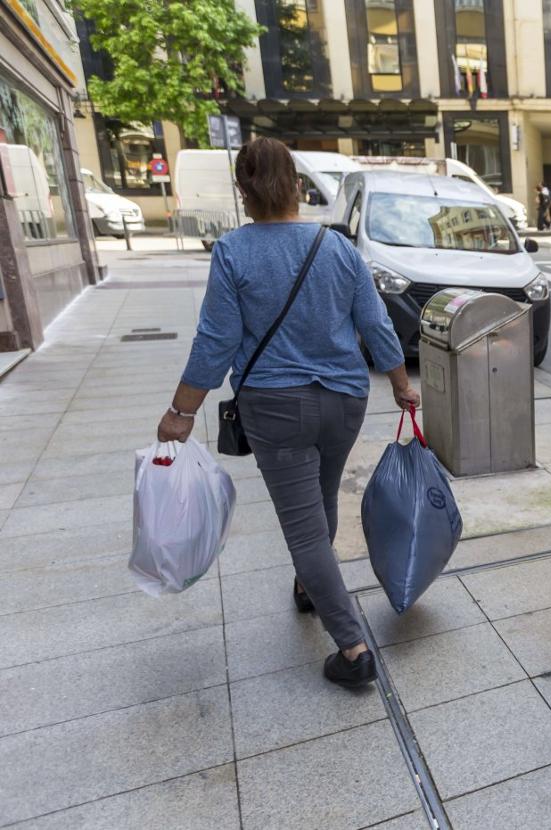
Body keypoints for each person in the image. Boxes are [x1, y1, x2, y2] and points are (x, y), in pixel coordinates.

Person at [156, 138, 418, 689]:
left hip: (275, 407)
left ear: (243, 190)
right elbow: (376, 325)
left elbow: (216, 341)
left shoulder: (233, 252)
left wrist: (181, 413)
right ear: (296, 186)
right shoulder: (339, 248)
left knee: (303, 528)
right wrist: (401, 385)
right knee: (321, 501)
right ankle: (309, 585)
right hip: (346, 401)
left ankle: (351, 648)